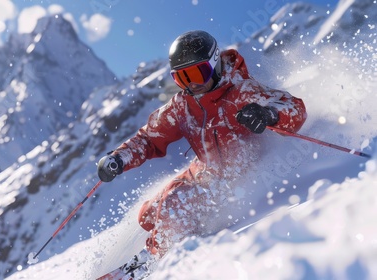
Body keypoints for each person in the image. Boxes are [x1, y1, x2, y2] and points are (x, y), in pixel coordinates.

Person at [97, 30, 307, 260]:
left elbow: (294, 108)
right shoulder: (182, 105)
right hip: (205, 173)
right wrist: (120, 158)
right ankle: (165, 238)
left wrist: (268, 115)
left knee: (174, 206)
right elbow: (149, 137)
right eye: (183, 78)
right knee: (148, 215)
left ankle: (156, 260)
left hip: (237, 181)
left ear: (215, 65)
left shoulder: (241, 92)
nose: (193, 84)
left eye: (199, 73)